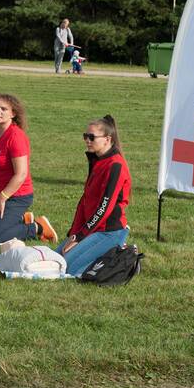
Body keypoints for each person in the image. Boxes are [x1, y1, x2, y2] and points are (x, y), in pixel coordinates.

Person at [0, 94, 57, 244]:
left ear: (13, 113)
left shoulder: (16, 136)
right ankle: (21, 219)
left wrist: (3, 197)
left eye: (3, 109)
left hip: (16, 196)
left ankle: (37, 227)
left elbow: (21, 174)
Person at [57, 114, 131, 276]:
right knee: (56, 259)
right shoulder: (96, 160)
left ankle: (120, 255)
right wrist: (74, 234)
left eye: (91, 137)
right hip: (92, 230)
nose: (87, 140)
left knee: (68, 268)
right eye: (85, 136)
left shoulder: (115, 166)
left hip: (109, 231)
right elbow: (85, 202)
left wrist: (79, 238)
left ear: (107, 139)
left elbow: (104, 208)